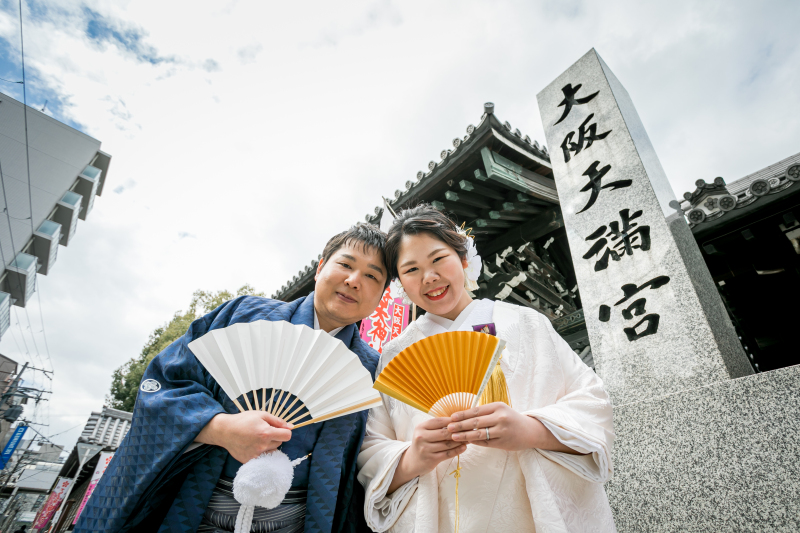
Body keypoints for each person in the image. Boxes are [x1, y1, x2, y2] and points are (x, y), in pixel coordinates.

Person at [75, 223, 389, 533]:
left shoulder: (370, 367)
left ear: (381, 297)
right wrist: (219, 428)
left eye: (372, 276)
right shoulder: (243, 315)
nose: (353, 280)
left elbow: (366, 461)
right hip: (196, 502)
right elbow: (166, 381)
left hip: (297, 518)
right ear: (320, 267)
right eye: (345, 264)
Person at [357, 205, 616, 532]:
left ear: (463, 258)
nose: (429, 277)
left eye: (438, 259)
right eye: (411, 270)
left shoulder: (526, 323)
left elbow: (593, 403)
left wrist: (531, 429)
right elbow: (372, 450)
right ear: (400, 286)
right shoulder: (394, 355)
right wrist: (413, 457)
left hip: (532, 513)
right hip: (444, 517)